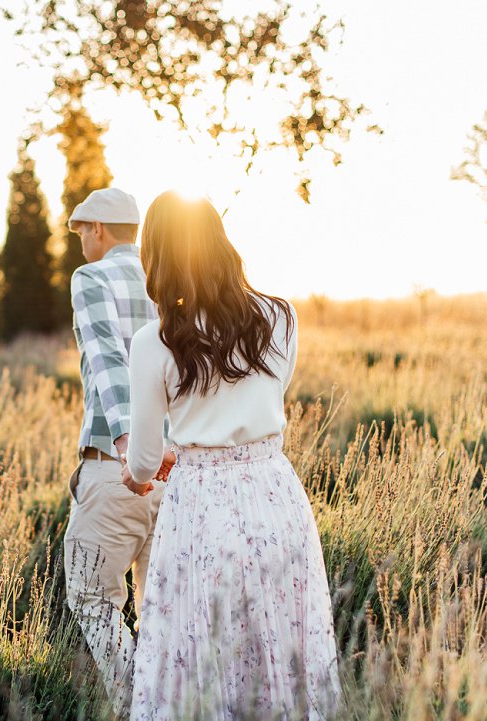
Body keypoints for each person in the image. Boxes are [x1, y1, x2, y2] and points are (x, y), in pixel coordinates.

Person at [122, 191, 341, 720]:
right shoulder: (280, 317)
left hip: (200, 506)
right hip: (274, 494)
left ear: (156, 257)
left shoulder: (155, 342)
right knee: (281, 640)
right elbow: (267, 397)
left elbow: (146, 461)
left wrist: (141, 471)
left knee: (207, 650)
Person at [63, 187, 169, 718]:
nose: (80, 238)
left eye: (82, 228)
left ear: (99, 230)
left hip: (120, 469)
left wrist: (129, 446)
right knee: (160, 614)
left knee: (89, 597)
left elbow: (105, 356)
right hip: (178, 473)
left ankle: (137, 709)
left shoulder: (91, 278)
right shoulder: (163, 281)